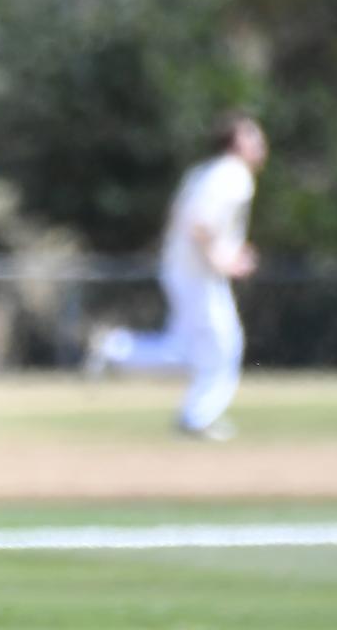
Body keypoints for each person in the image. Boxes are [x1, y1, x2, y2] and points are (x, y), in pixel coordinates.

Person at [86, 113, 268, 441]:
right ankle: (196, 417)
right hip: (198, 273)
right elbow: (199, 223)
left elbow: (182, 216)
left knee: (186, 348)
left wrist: (226, 253)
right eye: (253, 137)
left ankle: (116, 350)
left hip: (183, 268)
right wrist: (223, 260)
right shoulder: (233, 174)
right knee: (224, 346)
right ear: (237, 143)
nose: (260, 144)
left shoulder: (205, 172)